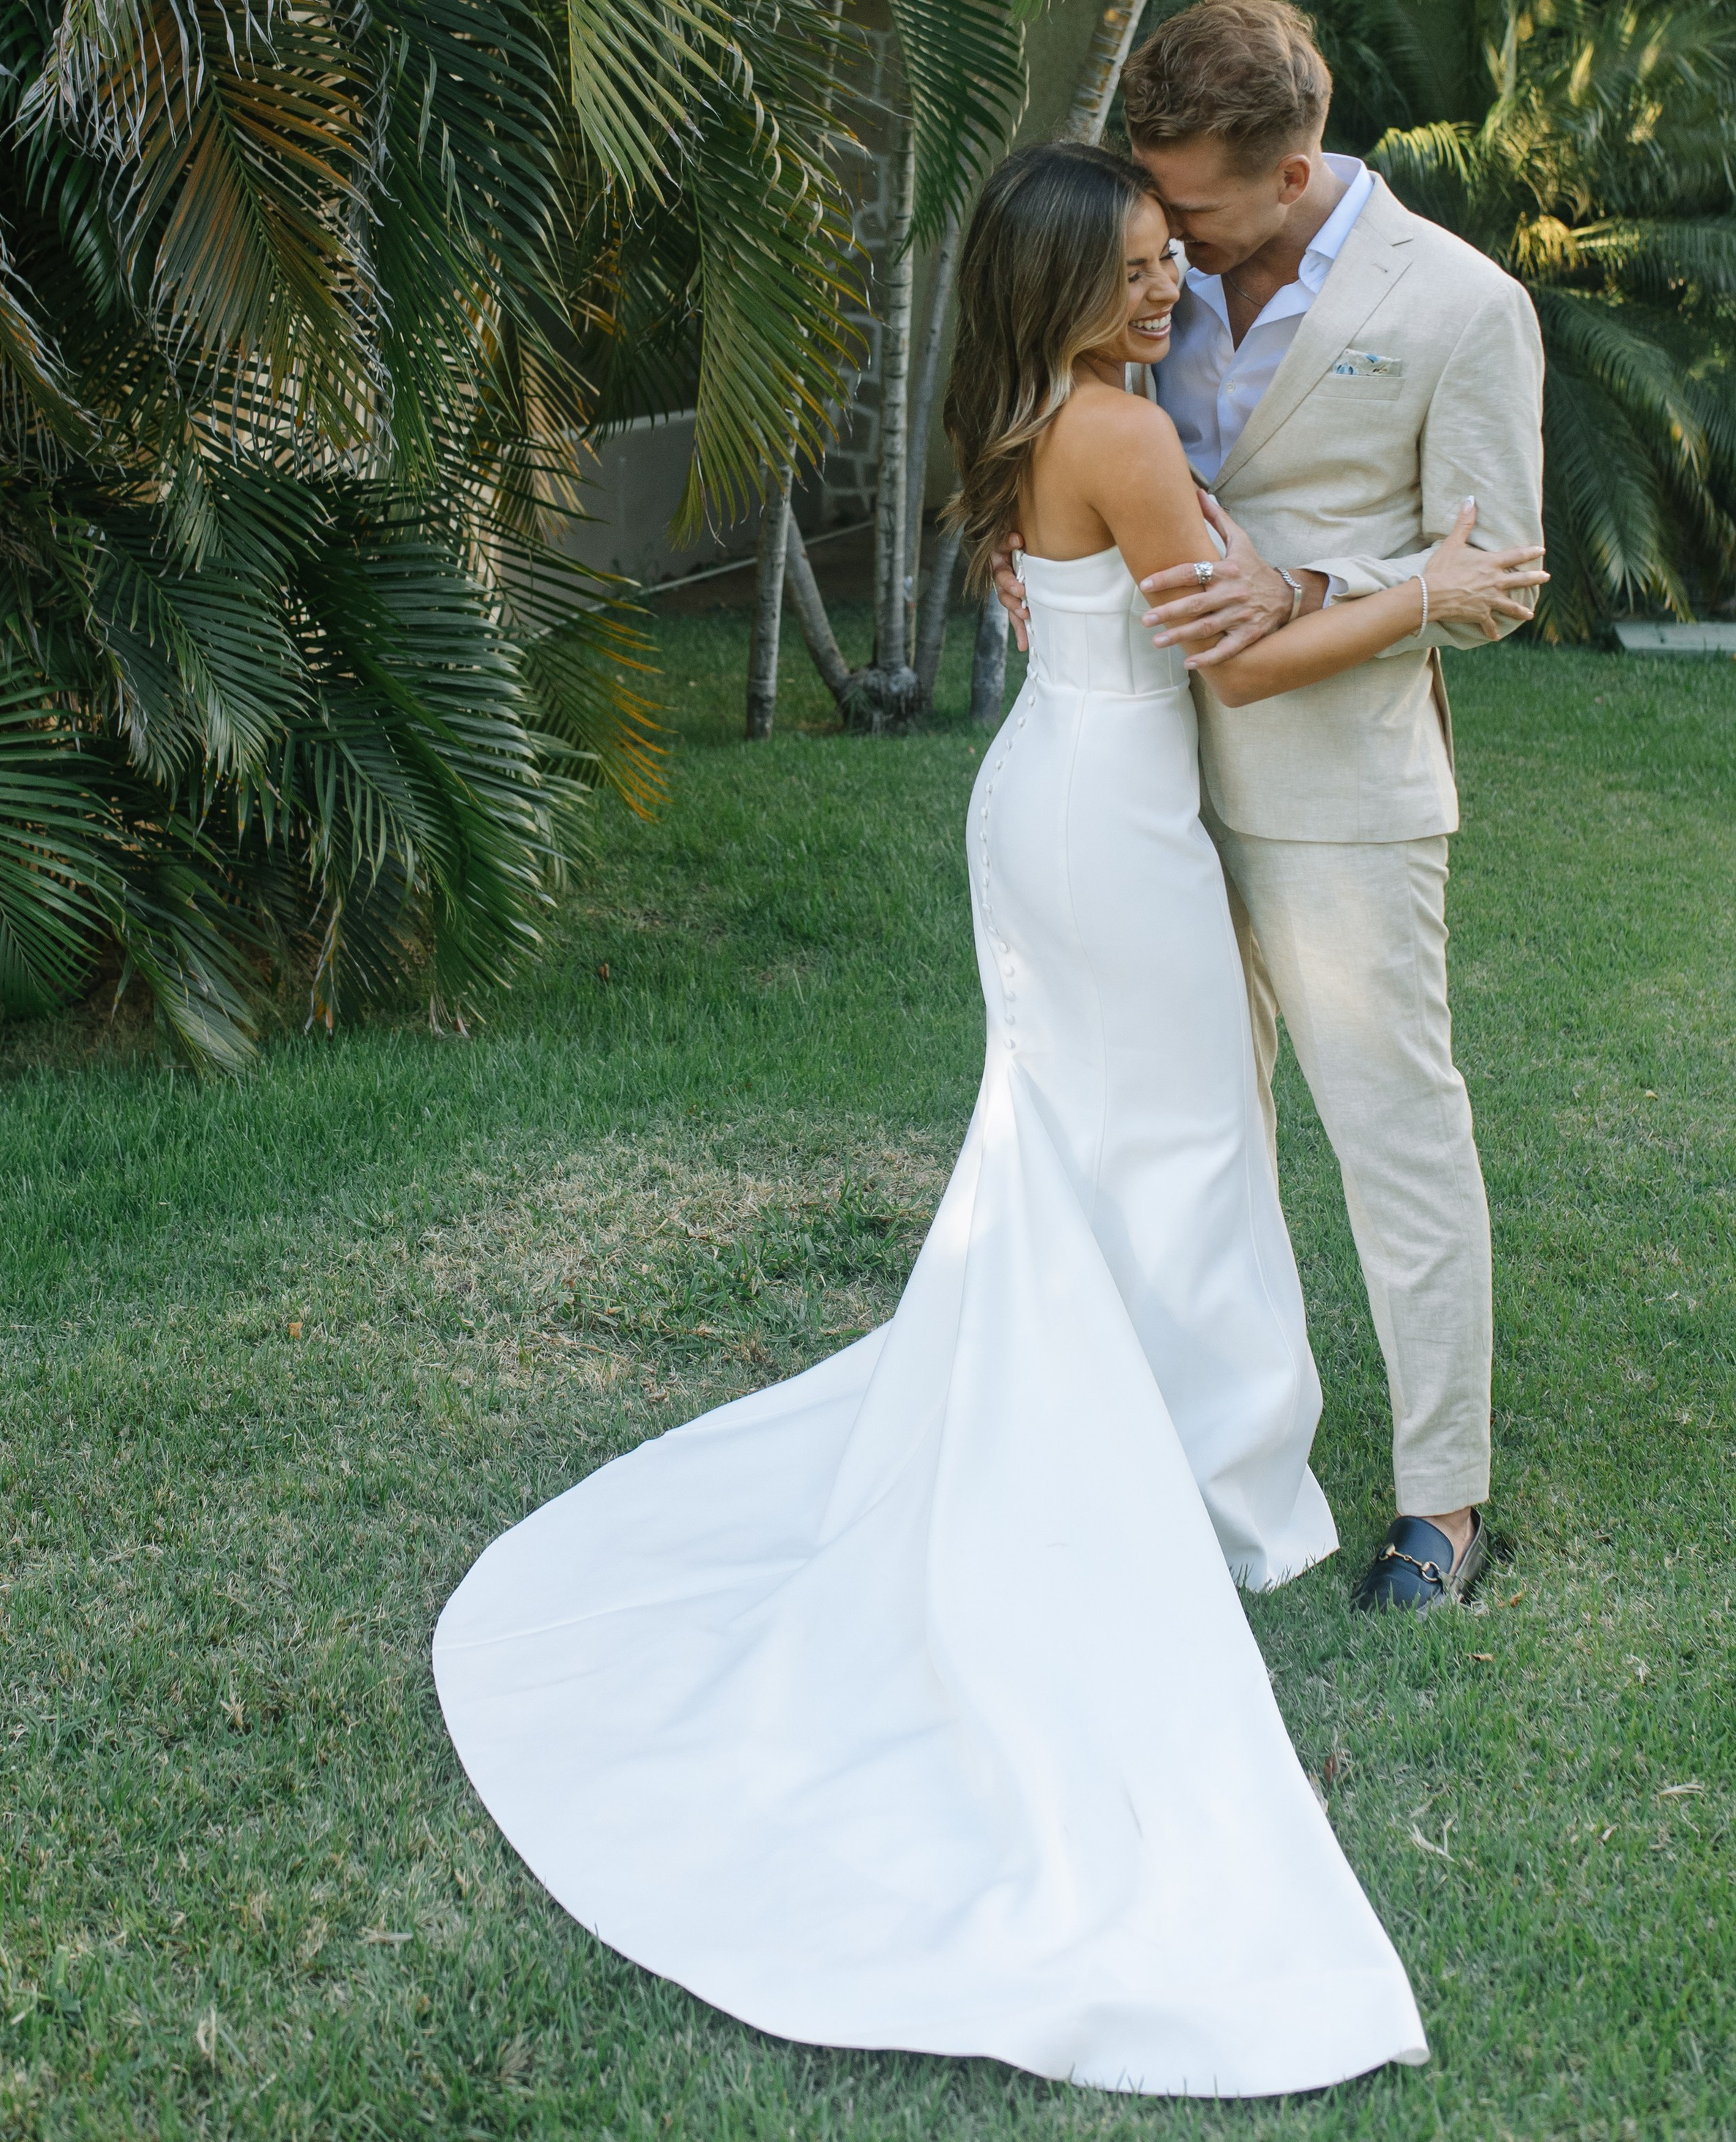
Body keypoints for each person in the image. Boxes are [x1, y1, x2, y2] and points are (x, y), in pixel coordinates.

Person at [434, 144, 1544, 2096]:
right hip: (1109, 829)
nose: (1165, 289)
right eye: (1131, 269)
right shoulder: (1117, 430)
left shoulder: (1038, 418)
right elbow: (1242, 663)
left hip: (1059, 798)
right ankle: (1196, 1481)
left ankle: (1167, 1444)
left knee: (1108, 1146)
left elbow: (1139, 612)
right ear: (1056, 289)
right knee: (1176, 1148)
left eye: (1168, 258)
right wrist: (1431, 591)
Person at [992, 0, 1546, 1613]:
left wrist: (1306, 584)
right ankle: (1175, 1454)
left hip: (1337, 794)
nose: (1166, 247)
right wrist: (1028, 564)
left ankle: (1442, 1504)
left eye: (1194, 213)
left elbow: (1498, 576)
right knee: (1184, 1139)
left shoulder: (1462, 306)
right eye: (1151, 212)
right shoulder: (1142, 281)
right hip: (1138, 796)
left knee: (1394, 1139)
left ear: (1294, 171)